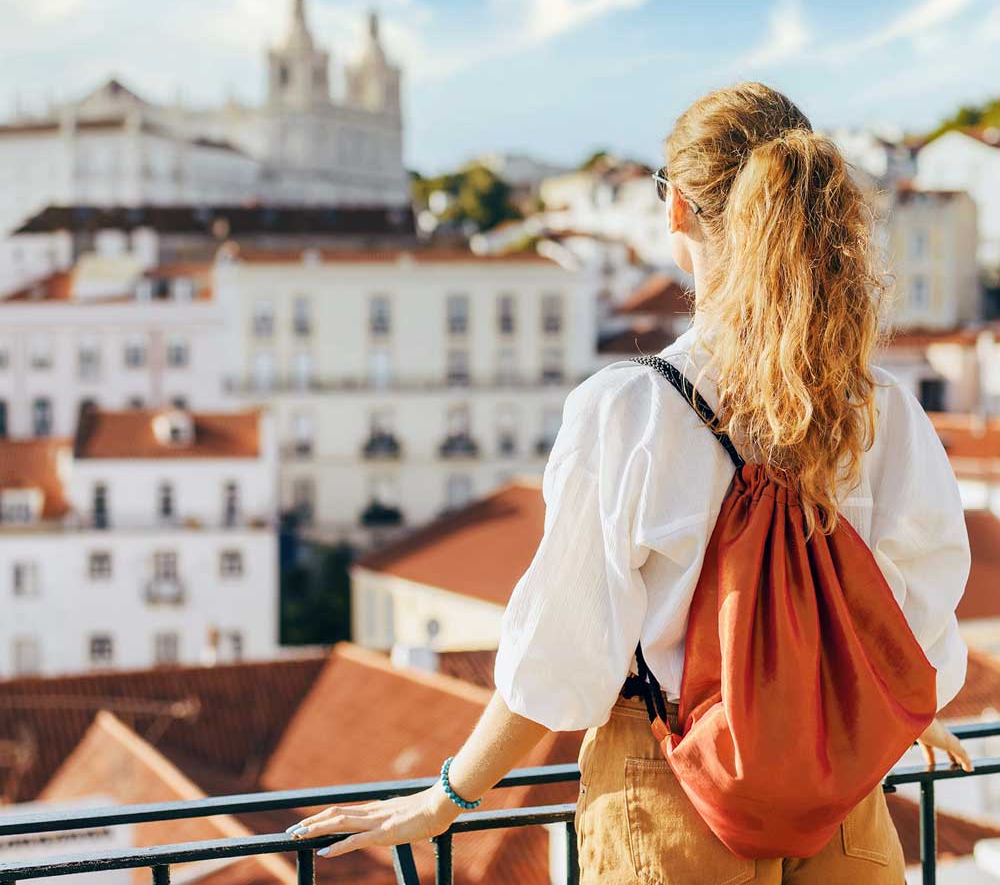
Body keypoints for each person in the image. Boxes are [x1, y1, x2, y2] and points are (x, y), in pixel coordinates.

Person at [285, 82, 973, 882]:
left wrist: (446, 796)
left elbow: (564, 653)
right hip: (840, 802)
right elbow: (917, 616)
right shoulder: (882, 408)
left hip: (673, 798)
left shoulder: (632, 410)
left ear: (676, 208)